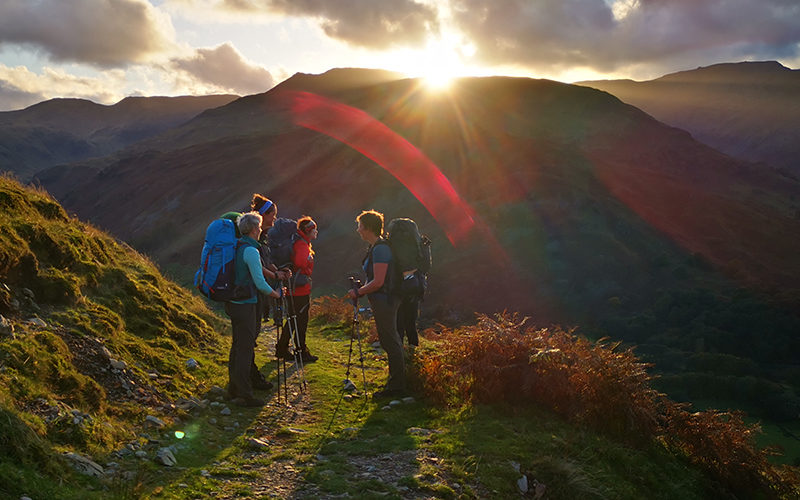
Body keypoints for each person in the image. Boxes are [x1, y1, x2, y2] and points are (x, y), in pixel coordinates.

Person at [222, 194, 290, 390]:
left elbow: (262, 266)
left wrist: (276, 273)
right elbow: (259, 272)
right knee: (246, 342)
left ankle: (238, 383)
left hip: (241, 298)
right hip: (248, 298)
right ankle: (244, 385)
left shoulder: (249, 243)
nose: (275, 219)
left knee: (242, 342)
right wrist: (276, 290)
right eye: (273, 215)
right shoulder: (251, 247)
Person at [347, 210, 405, 398]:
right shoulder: (377, 247)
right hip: (383, 299)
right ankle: (395, 382)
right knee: (389, 339)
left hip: (385, 300)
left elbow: (379, 281)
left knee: (390, 340)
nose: (358, 230)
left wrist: (358, 292)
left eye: (360, 226)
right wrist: (362, 290)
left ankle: (396, 386)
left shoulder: (380, 249)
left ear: (368, 227)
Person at [276, 216, 319, 362]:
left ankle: (282, 348)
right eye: (314, 229)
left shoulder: (299, 242)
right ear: (308, 231)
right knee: (301, 321)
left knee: (292, 319)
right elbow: (300, 263)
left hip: (293, 287)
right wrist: (308, 267)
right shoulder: (302, 245)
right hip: (300, 289)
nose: (316, 232)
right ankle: (301, 351)